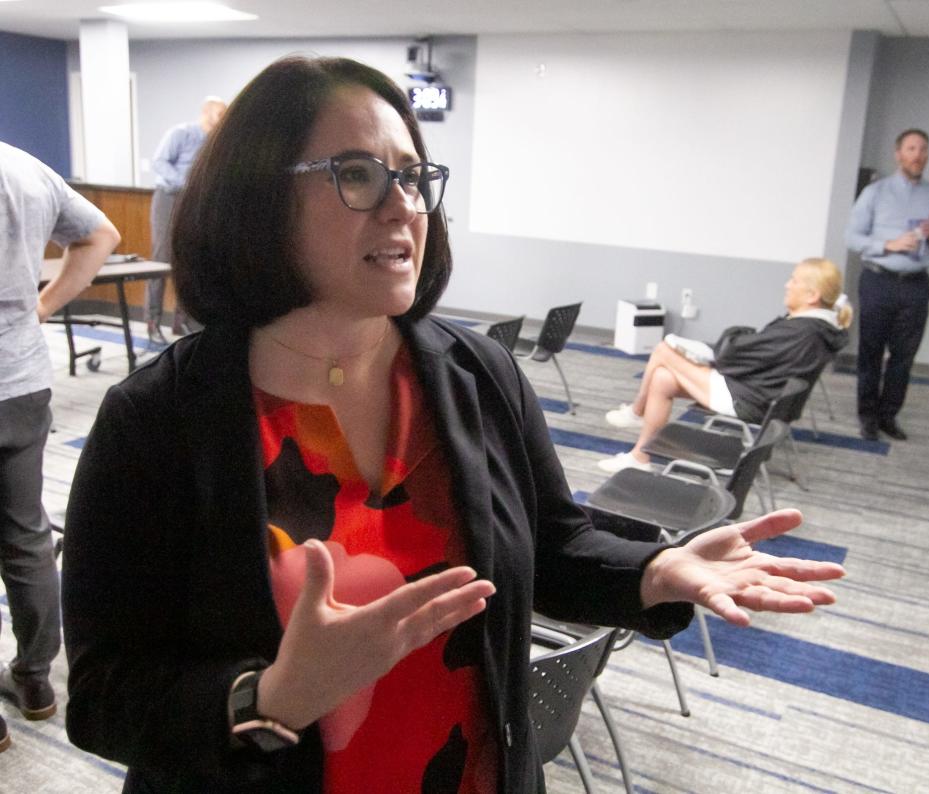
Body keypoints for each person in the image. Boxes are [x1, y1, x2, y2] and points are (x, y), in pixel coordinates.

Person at [61, 57, 844, 792]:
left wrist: (653, 571)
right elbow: (101, 697)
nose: (404, 204)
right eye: (359, 175)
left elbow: (550, 538)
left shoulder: (474, 374)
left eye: (412, 177)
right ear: (257, 197)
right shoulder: (158, 422)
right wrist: (271, 695)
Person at [0, 141, 120, 753]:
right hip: (19, 382)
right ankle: (37, 682)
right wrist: (41, 306)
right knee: (25, 535)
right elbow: (101, 234)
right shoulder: (23, 168)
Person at [600, 258, 851, 473]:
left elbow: (734, 356)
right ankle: (640, 457)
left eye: (794, 280)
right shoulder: (816, 327)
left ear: (812, 295)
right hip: (757, 392)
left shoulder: (803, 332)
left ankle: (636, 412)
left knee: (664, 350)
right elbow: (754, 354)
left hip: (748, 400)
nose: (787, 285)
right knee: (663, 378)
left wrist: (728, 348)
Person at [845, 128, 929, 442]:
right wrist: (888, 244)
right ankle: (867, 417)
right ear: (899, 154)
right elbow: (851, 238)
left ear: (927, 155)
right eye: (911, 149)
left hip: (916, 285)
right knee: (870, 352)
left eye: (923, 149)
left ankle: (887, 416)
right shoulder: (875, 193)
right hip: (878, 280)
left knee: (904, 356)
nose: (917, 155)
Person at [145, 95, 227, 344]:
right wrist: (184, 185)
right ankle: (152, 322)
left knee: (187, 258)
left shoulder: (215, 142)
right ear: (206, 112)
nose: (222, 119)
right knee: (162, 259)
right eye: (219, 114)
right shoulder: (181, 133)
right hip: (169, 198)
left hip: (194, 201)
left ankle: (182, 322)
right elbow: (159, 162)